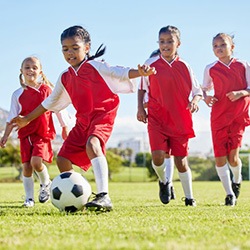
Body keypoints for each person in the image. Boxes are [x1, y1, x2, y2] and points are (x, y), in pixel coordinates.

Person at [11, 25, 156, 212]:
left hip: (103, 115)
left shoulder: (96, 66)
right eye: (65, 49)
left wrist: (141, 72)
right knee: (63, 159)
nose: (69, 52)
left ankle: (104, 196)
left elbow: (120, 72)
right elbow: (49, 102)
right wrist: (27, 119)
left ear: (87, 48)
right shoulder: (65, 77)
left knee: (93, 145)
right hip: (83, 121)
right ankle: (79, 195)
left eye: (75, 47)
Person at [137, 25, 202, 206]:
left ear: (178, 43)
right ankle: (164, 181)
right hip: (157, 118)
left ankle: (189, 198)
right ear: (158, 44)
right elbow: (142, 88)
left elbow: (197, 91)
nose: (165, 45)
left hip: (180, 119)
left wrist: (195, 102)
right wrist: (140, 109)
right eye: (162, 41)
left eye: (170, 41)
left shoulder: (185, 66)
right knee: (158, 157)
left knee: (181, 161)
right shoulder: (150, 64)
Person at [0, 56, 68, 208]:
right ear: (21, 71)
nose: (31, 70)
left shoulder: (48, 90)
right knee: (26, 167)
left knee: (36, 162)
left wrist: (64, 127)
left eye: (34, 67)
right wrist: (5, 135)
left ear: (40, 71)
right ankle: (29, 199)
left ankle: (46, 183)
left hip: (43, 134)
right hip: (25, 135)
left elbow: (59, 108)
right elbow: (12, 117)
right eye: (27, 67)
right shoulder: (17, 94)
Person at [202, 33, 250, 206]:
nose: (218, 48)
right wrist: (207, 97)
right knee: (220, 158)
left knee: (233, 158)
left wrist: (241, 93)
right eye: (215, 46)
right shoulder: (210, 68)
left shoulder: (243, 65)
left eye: (222, 45)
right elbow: (205, 89)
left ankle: (237, 180)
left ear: (232, 47)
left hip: (238, 116)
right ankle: (230, 194)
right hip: (218, 116)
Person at [138, 48, 176, 200]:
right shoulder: (148, 79)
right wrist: (143, 107)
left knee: (169, 153)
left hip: (173, 118)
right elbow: (142, 93)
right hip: (156, 118)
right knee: (159, 154)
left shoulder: (174, 73)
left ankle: (169, 182)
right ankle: (164, 181)